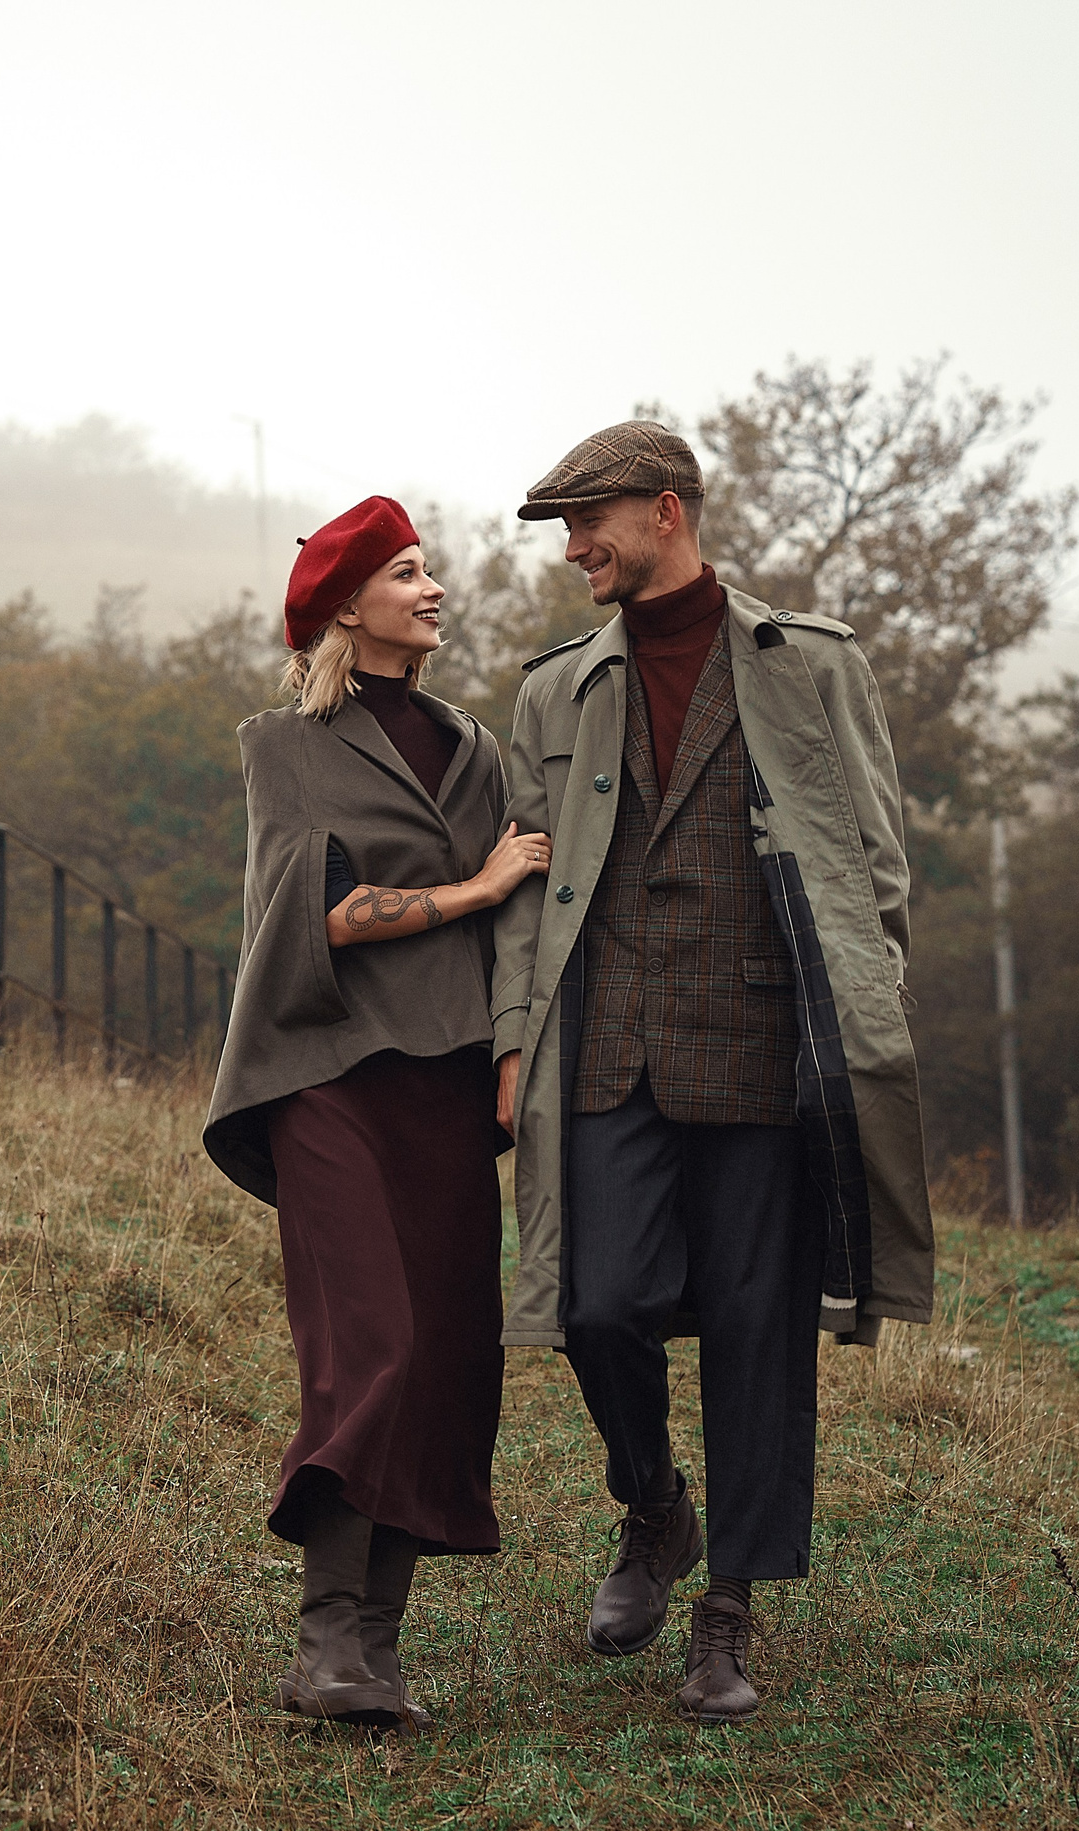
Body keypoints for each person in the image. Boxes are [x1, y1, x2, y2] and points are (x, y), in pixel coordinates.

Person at [492, 422, 935, 1724]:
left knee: (759, 1342)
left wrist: (863, 1015)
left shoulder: (812, 666)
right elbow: (527, 885)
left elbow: (877, 855)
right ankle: (654, 1509)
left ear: (666, 513)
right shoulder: (553, 689)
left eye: (592, 525)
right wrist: (517, 1038)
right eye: (566, 529)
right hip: (606, 1050)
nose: (576, 551)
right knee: (595, 1303)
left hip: (767, 1055)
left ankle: (725, 1619)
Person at [204, 496, 552, 1729]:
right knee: (373, 1339)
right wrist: (474, 882)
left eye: (430, 569)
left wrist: (514, 1056)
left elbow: (525, 926)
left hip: (451, 1084)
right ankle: (321, 1641)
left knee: (449, 1351)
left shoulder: (472, 744)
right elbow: (326, 916)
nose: (434, 587)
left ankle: (375, 1652)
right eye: (406, 573)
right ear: (347, 605)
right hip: (329, 1076)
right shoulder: (285, 744)